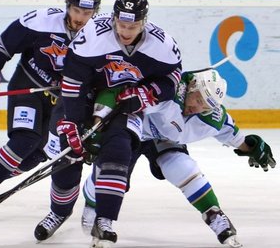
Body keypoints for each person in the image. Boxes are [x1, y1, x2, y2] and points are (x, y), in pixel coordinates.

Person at [37, 0, 182, 247]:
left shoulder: (161, 44)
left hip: (124, 103)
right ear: (114, 18)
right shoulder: (93, 34)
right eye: (122, 24)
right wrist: (71, 119)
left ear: (144, 22)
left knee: (118, 152)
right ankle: (58, 212)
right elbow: (72, 79)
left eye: (133, 26)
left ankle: (104, 219)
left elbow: (173, 78)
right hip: (85, 98)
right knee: (68, 156)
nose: (126, 32)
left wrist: (147, 93)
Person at [79, 70, 275, 247]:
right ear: (192, 86)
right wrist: (98, 125)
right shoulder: (167, 88)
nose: (197, 108)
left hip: (164, 139)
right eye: (198, 100)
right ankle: (94, 203)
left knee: (182, 166)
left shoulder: (210, 116)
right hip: (134, 128)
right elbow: (122, 93)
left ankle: (214, 214)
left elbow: (231, 134)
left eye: (205, 107)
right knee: (114, 167)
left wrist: (252, 148)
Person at [0, 0, 101, 209]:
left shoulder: (100, 35)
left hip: (64, 101)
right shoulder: (41, 21)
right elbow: (2, 45)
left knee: (37, 156)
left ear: (95, 12)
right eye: (76, 10)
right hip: (29, 84)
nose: (80, 18)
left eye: (87, 13)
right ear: (67, 5)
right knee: (24, 140)